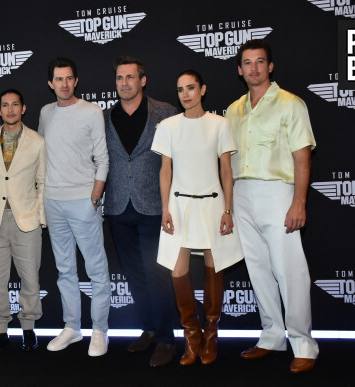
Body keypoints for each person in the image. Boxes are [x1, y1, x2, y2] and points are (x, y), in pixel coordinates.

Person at [225, 39, 319, 373]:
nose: (253, 68)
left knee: (289, 270)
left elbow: (302, 156)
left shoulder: (290, 104)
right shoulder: (233, 110)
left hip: (278, 192)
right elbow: (227, 161)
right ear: (239, 70)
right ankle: (272, 336)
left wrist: (299, 202)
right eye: (247, 63)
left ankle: (303, 343)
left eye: (260, 61)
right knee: (258, 270)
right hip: (242, 195)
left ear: (270, 66)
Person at [151, 70, 244, 366]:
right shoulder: (168, 126)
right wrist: (165, 208)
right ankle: (191, 335)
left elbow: (226, 171)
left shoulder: (220, 124)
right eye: (180, 89)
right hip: (178, 206)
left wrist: (229, 209)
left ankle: (210, 335)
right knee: (177, 270)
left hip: (213, 204)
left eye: (191, 88)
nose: (185, 94)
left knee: (213, 267)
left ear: (203, 89)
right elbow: (165, 171)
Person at [104, 56, 178, 367]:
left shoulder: (166, 112)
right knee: (134, 275)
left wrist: (172, 204)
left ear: (142, 80)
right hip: (119, 207)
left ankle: (165, 339)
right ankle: (148, 329)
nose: (124, 82)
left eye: (130, 77)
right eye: (120, 77)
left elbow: (176, 162)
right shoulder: (105, 117)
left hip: (153, 207)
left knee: (156, 274)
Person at [38, 57, 111, 357]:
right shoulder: (45, 112)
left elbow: (103, 159)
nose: (64, 84)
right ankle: (72, 327)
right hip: (53, 202)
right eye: (59, 79)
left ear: (76, 81)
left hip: (84, 201)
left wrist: (95, 196)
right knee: (65, 269)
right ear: (50, 83)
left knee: (96, 269)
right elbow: (38, 151)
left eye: (69, 78)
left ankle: (100, 330)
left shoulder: (92, 112)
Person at [0, 89, 46, 355]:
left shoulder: (38, 141)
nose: (11, 109)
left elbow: (42, 182)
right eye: (5, 105)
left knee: (30, 279)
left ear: (23, 109)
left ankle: (28, 328)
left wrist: (40, 218)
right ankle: (0, 331)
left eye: (16, 104)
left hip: (26, 220)